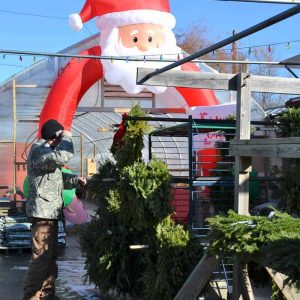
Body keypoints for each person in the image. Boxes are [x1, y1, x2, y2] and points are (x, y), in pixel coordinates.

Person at [23, 119, 87, 300]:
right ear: (54, 137)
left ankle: (47, 294)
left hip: (50, 213)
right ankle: (31, 297)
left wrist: (77, 180)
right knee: (41, 258)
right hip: (42, 214)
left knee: (49, 257)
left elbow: (58, 180)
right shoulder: (40, 151)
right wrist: (67, 136)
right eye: (60, 136)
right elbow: (63, 156)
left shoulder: (48, 154)